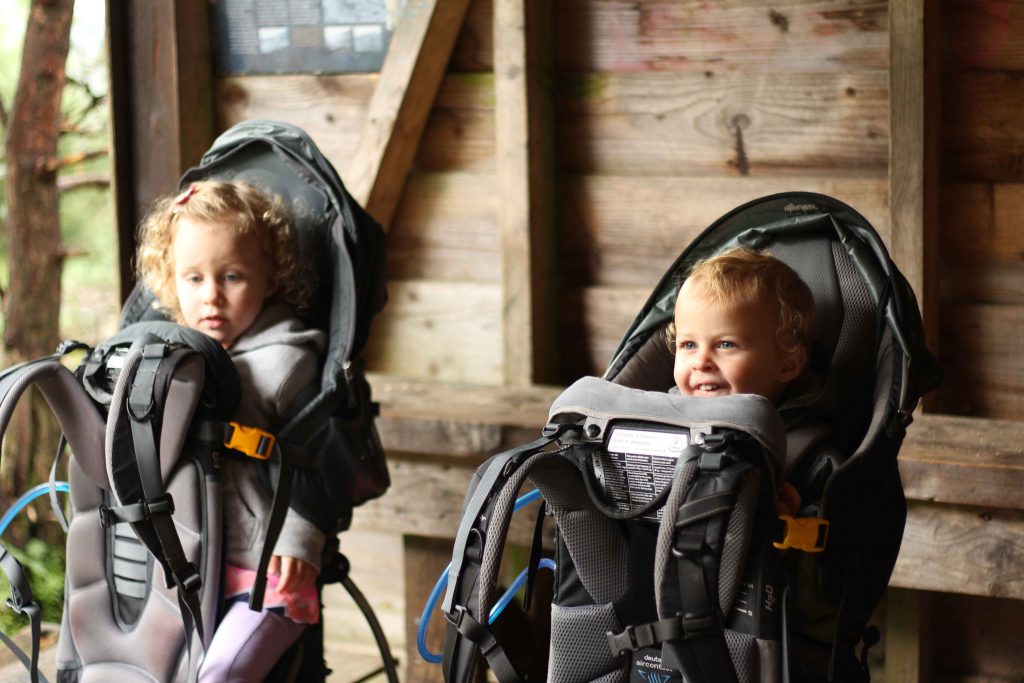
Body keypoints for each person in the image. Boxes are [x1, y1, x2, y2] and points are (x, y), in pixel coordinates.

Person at [136, 179, 326, 681]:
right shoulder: (169, 362)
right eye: (193, 279)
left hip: (269, 569)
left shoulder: (288, 366)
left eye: (233, 276)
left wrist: (300, 539)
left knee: (220, 675)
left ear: (271, 279)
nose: (212, 296)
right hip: (194, 565)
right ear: (169, 281)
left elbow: (319, 457)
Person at [669, 246, 816, 513]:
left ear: (787, 364)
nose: (701, 362)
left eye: (725, 344)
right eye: (689, 344)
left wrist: (786, 519)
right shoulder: (661, 418)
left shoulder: (807, 449)